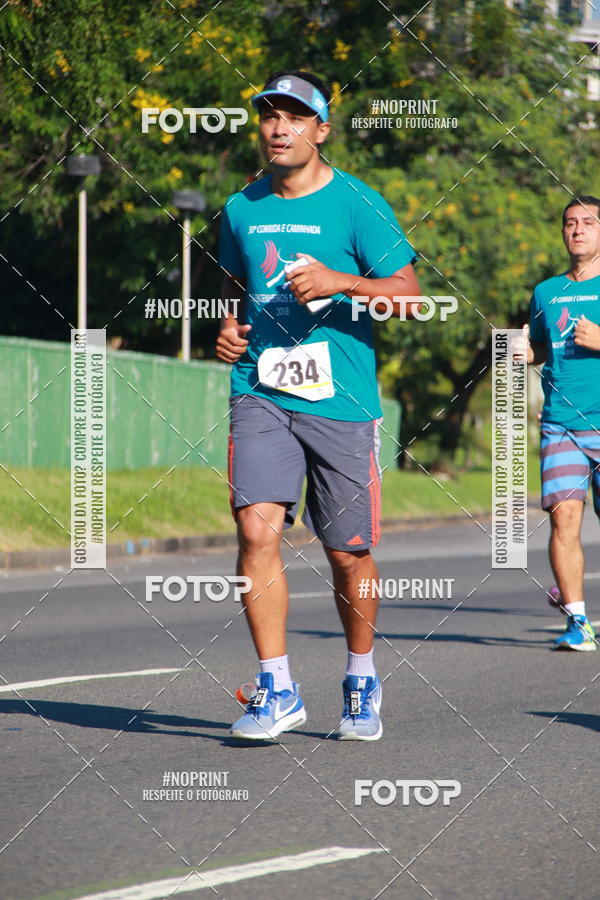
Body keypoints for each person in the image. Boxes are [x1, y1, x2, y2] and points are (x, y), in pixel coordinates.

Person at [216, 70, 423, 740]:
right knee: (255, 531)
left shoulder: (358, 204)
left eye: (294, 117)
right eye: (270, 117)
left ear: (321, 130)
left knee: (348, 553)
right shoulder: (241, 206)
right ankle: (275, 688)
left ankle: (361, 675)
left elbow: (409, 296)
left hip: (342, 398)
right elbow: (233, 285)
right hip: (260, 389)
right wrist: (225, 329)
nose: (279, 128)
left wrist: (340, 282)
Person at [524, 195, 600, 651]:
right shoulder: (546, 292)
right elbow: (539, 347)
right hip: (560, 424)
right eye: (570, 223)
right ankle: (578, 621)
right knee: (563, 520)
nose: (577, 230)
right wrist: (521, 350)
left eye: (588, 223)